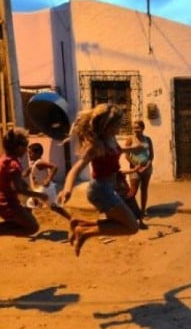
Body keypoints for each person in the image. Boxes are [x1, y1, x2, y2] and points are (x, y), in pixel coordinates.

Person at [58, 103, 142, 256]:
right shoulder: (96, 146)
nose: (120, 126)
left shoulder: (111, 138)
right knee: (132, 227)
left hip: (109, 189)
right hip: (100, 190)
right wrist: (67, 189)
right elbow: (76, 168)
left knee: (120, 224)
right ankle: (84, 232)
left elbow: (118, 151)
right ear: (108, 125)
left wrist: (133, 149)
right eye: (118, 123)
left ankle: (79, 225)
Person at [0, 128, 49, 253]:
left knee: (26, 224)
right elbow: (18, 189)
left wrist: (28, 190)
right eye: (25, 147)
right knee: (32, 228)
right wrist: (39, 195)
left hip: (1, 202)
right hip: (6, 203)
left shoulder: (4, 158)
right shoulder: (13, 164)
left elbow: (16, 182)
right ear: (18, 147)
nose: (26, 150)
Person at [124, 120, 154, 216]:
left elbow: (151, 155)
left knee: (144, 190)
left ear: (142, 128)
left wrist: (147, 166)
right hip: (134, 169)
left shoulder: (148, 139)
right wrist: (136, 166)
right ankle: (129, 211)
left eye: (138, 127)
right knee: (133, 191)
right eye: (134, 128)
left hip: (147, 169)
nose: (136, 130)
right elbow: (127, 155)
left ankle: (143, 211)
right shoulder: (130, 140)